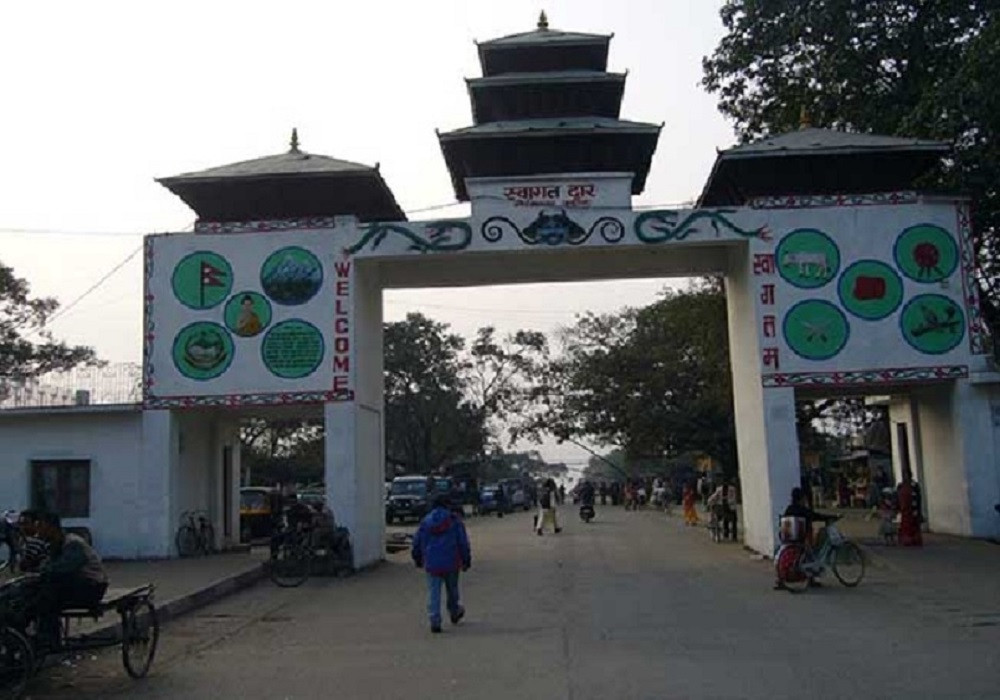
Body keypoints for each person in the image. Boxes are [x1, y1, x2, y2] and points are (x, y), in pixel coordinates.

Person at [31, 512, 109, 648]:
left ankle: (49, 639)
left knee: (46, 596)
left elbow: (64, 568)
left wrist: (43, 570)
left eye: (41, 528)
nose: (38, 533)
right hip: (75, 585)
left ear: (51, 527)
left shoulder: (73, 543)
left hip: (92, 587)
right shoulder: (54, 544)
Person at [411, 495, 471, 634]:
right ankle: (454, 611)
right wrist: (466, 559)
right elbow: (462, 542)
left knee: (434, 591)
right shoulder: (454, 521)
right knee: (452, 590)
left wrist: (417, 557)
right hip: (451, 561)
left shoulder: (426, 521)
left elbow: (417, 541)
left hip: (432, 562)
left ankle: (435, 620)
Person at [774, 487, 837, 590]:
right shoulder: (803, 509)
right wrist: (830, 517)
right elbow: (816, 516)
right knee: (811, 554)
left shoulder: (789, 509)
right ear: (802, 498)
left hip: (788, 539)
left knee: (780, 555)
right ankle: (811, 579)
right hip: (802, 538)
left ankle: (780, 580)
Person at [896, 468, 923, 546]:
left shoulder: (914, 486)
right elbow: (898, 498)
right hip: (905, 509)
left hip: (913, 508)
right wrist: (898, 507)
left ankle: (914, 539)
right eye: (904, 475)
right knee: (906, 525)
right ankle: (906, 540)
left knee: (914, 525)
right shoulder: (901, 486)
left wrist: (918, 509)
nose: (906, 477)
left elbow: (918, 498)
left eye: (907, 475)